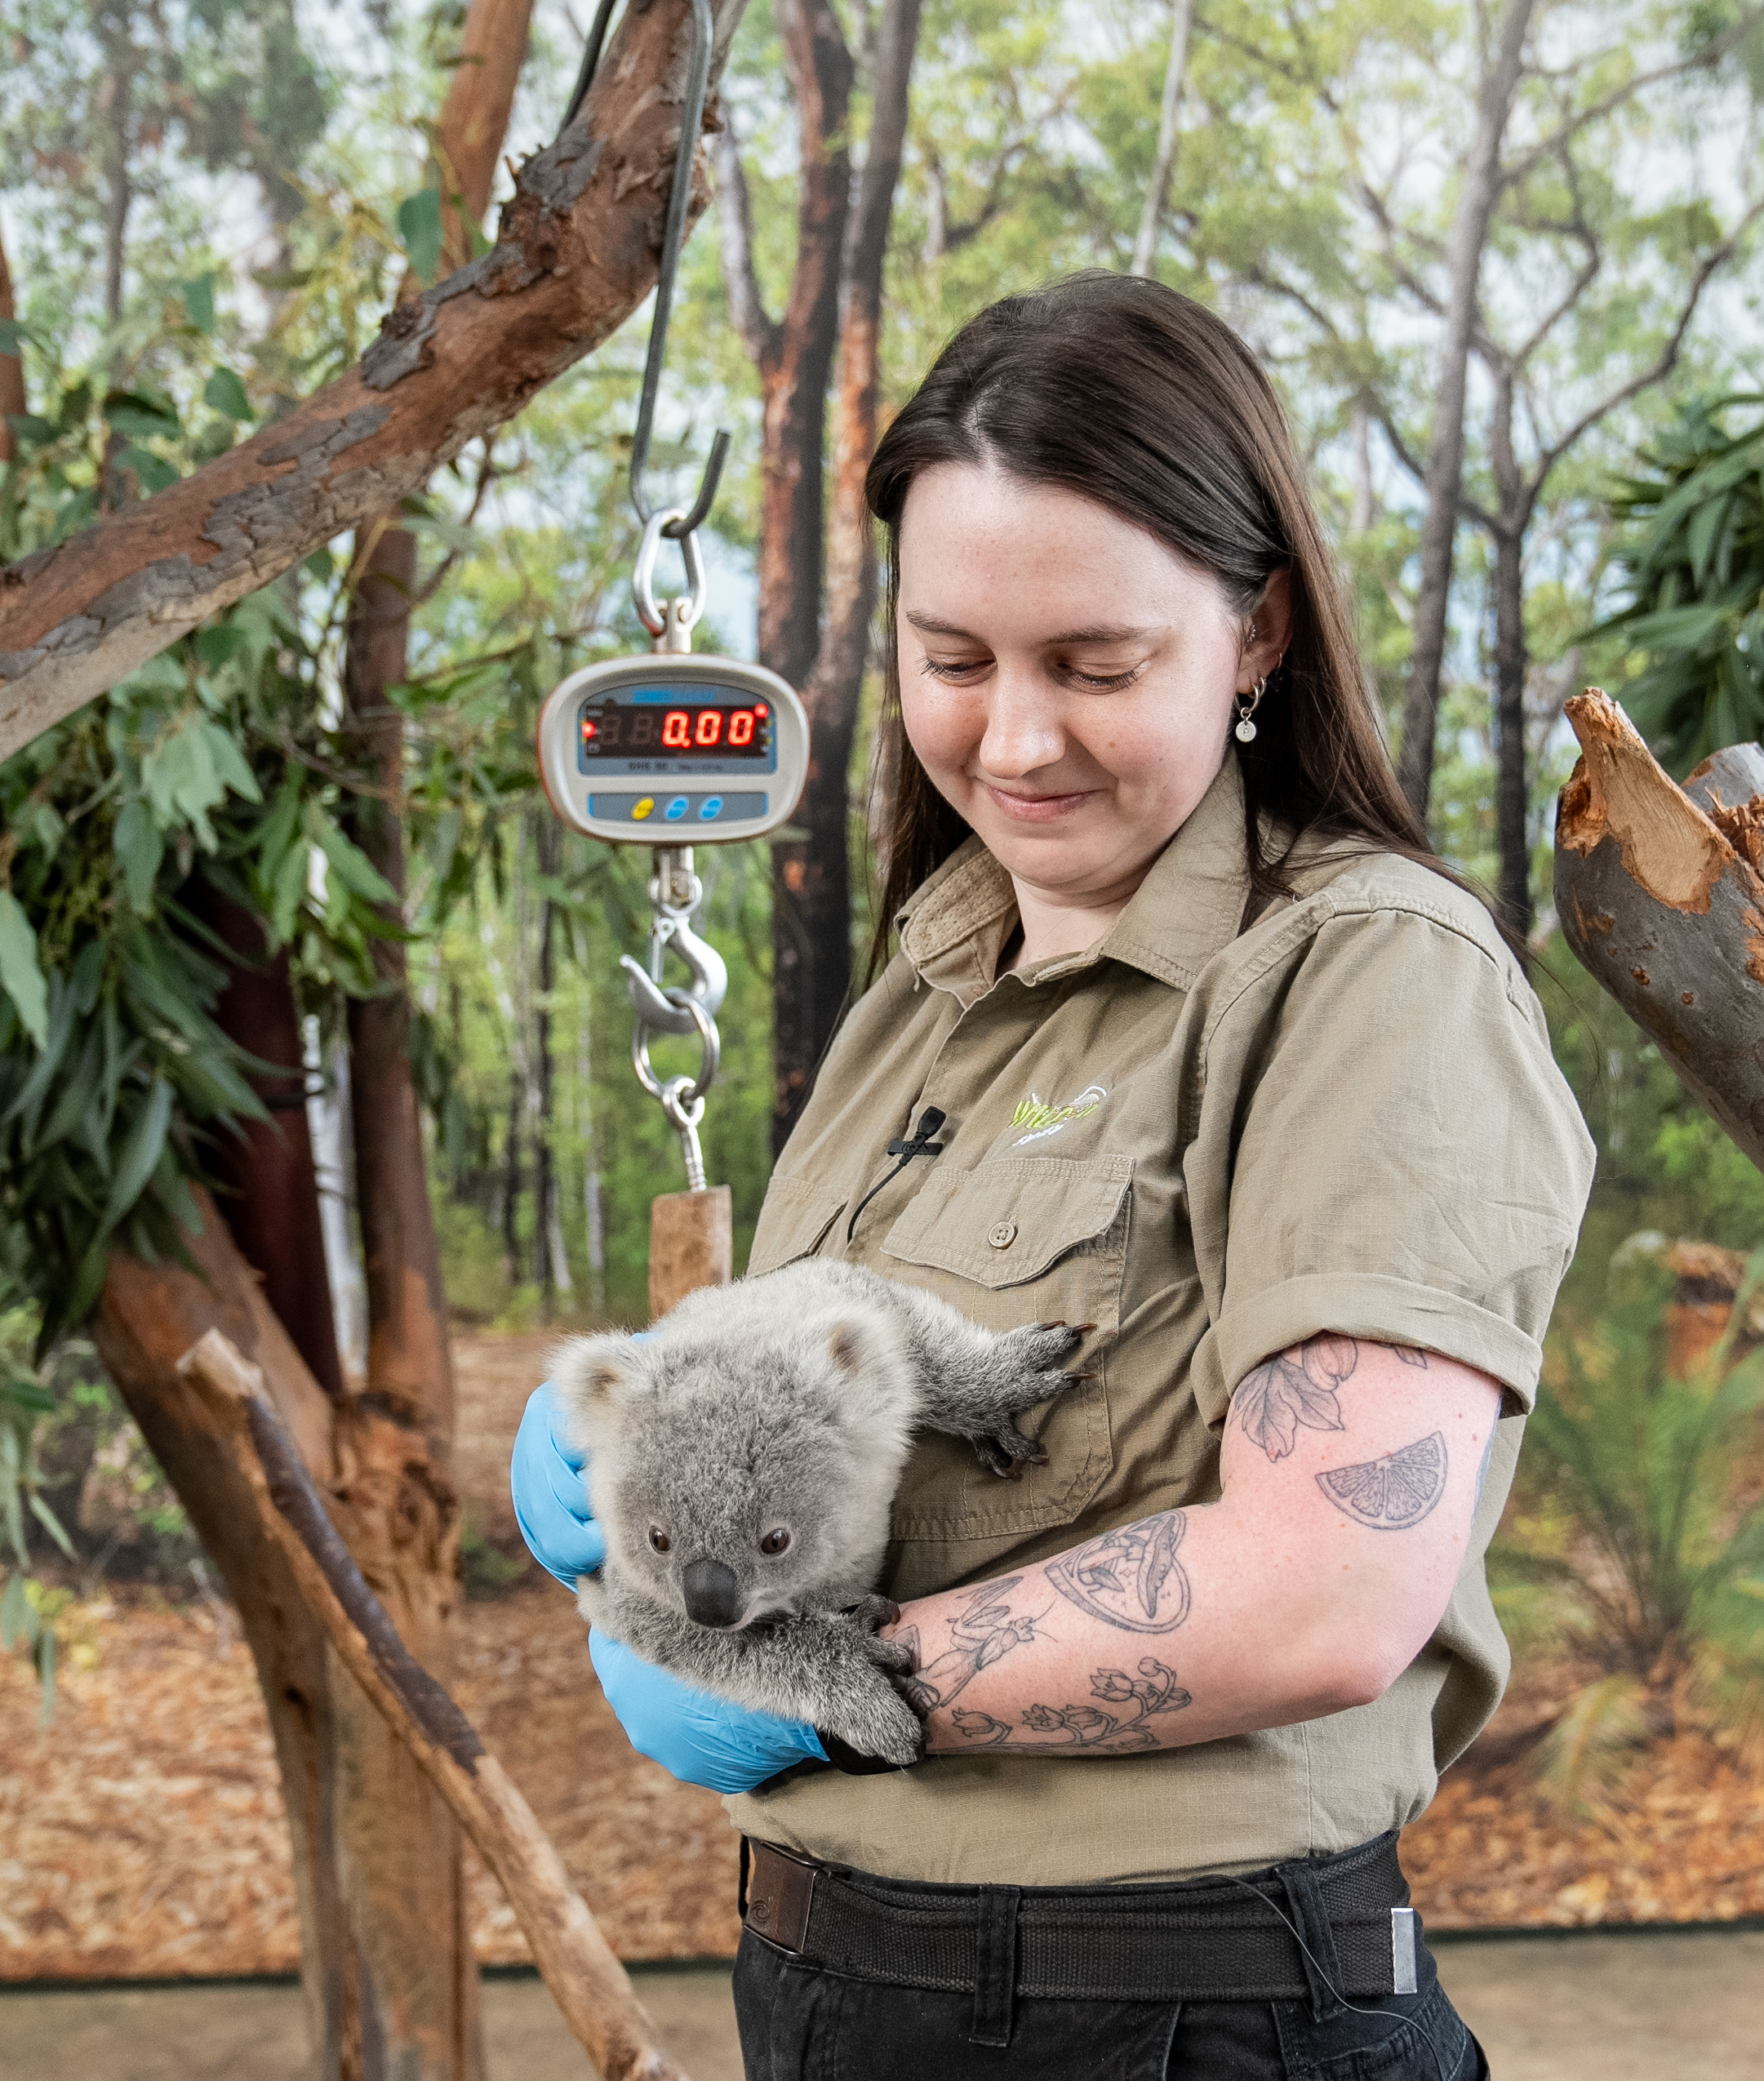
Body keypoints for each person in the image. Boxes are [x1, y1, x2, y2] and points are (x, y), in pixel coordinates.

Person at [511, 272, 1592, 2080]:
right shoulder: (925, 989)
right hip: (836, 1983)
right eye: (954, 661)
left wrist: (801, 1680)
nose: (1013, 739)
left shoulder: (1364, 976)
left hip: (1162, 2007)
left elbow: (1325, 1595)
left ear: (1254, 637)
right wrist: (628, 1455)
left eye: (1094, 667)